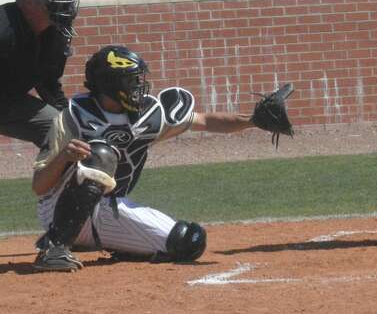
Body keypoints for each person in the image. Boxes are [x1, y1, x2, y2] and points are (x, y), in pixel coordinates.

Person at [30, 45, 280, 272]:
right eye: (131, 80)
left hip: (106, 208)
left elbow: (205, 120)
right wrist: (64, 156)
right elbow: (39, 186)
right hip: (57, 206)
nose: (139, 86)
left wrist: (252, 120)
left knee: (188, 241)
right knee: (101, 154)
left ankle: (92, 241)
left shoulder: (148, 114)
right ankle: (55, 247)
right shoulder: (73, 116)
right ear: (110, 83)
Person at [0, 0, 81, 150]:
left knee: (63, 130)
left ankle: (62, 178)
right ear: (28, 2)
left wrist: (71, 119)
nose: (66, 5)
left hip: (8, 102)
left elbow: (48, 83)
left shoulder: (57, 35)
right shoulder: (4, 29)